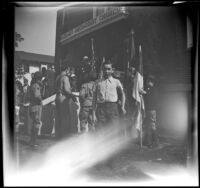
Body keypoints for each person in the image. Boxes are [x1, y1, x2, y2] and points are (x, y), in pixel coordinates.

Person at [93, 61, 126, 130]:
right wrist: (93, 113)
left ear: (112, 70)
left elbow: (123, 94)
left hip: (113, 108)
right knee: (101, 131)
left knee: (113, 130)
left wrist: (122, 106)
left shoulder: (116, 82)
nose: (106, 71)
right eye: (105, 69)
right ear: (102, 70)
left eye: (108, 69)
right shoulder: (97, 82)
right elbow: (94, 98)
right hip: (101, 108)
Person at [55, 65, 77, 139]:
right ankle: (64, 137)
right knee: (65, 118)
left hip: (57, 97)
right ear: (67, 69)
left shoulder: (58, 77)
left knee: (59, 118)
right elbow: (67, 90)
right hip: (63, 98)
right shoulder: (65, 77)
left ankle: (58, 136)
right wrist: (72, 96)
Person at [143, 74, 158, 148]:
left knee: (152, 126)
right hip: (149, 109)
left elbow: (150, 97)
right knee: (149, 126)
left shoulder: (153, 89)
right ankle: (149, 142)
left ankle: (155, 142)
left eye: (148, 81)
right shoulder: (149, 89)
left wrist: (145, 93)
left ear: (151, 82)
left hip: (152, 110)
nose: (146, 82)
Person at [29, 71, 43, 147]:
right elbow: (37, 96)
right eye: (41, 79)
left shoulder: (32, 85)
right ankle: (33, 142)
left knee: (34, 123)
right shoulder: (36, 85)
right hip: (36, 106)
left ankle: (32, 141)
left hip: (32, 106)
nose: (41, 80)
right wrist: (41, 100)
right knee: (37, 123)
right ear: (38, 79)